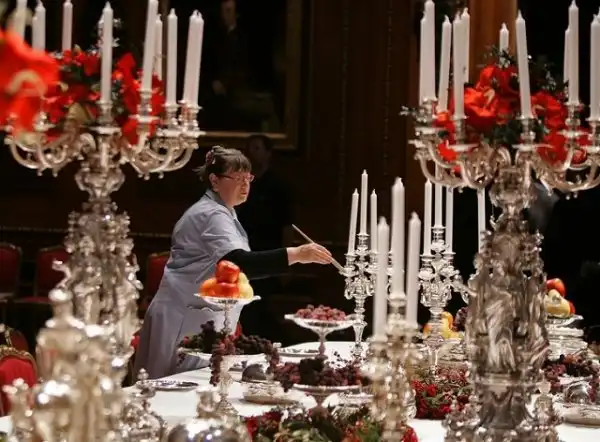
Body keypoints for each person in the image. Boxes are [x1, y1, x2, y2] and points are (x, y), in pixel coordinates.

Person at [134, 146, 332, 379]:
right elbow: (240, 265)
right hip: (183, 318)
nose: (245, 185)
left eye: (248, 178)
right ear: (214, 181)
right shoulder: (211, 214)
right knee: (175, 387)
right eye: (237, 178)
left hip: (195, 314)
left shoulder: (222, 211)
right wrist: (297, 254)